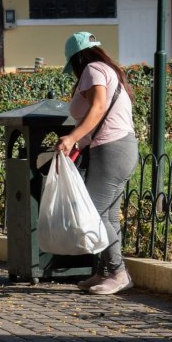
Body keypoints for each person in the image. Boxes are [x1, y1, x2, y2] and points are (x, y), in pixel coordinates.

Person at [55, 32, 138, 295]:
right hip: (118, 148)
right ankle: (104, 272)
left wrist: (72, 137)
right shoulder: (107, 69)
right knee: (108, 216)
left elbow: (98, 108)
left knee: (91, 213)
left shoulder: (92, 69)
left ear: (78, 59)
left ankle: (118, 272)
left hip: (111, 150)